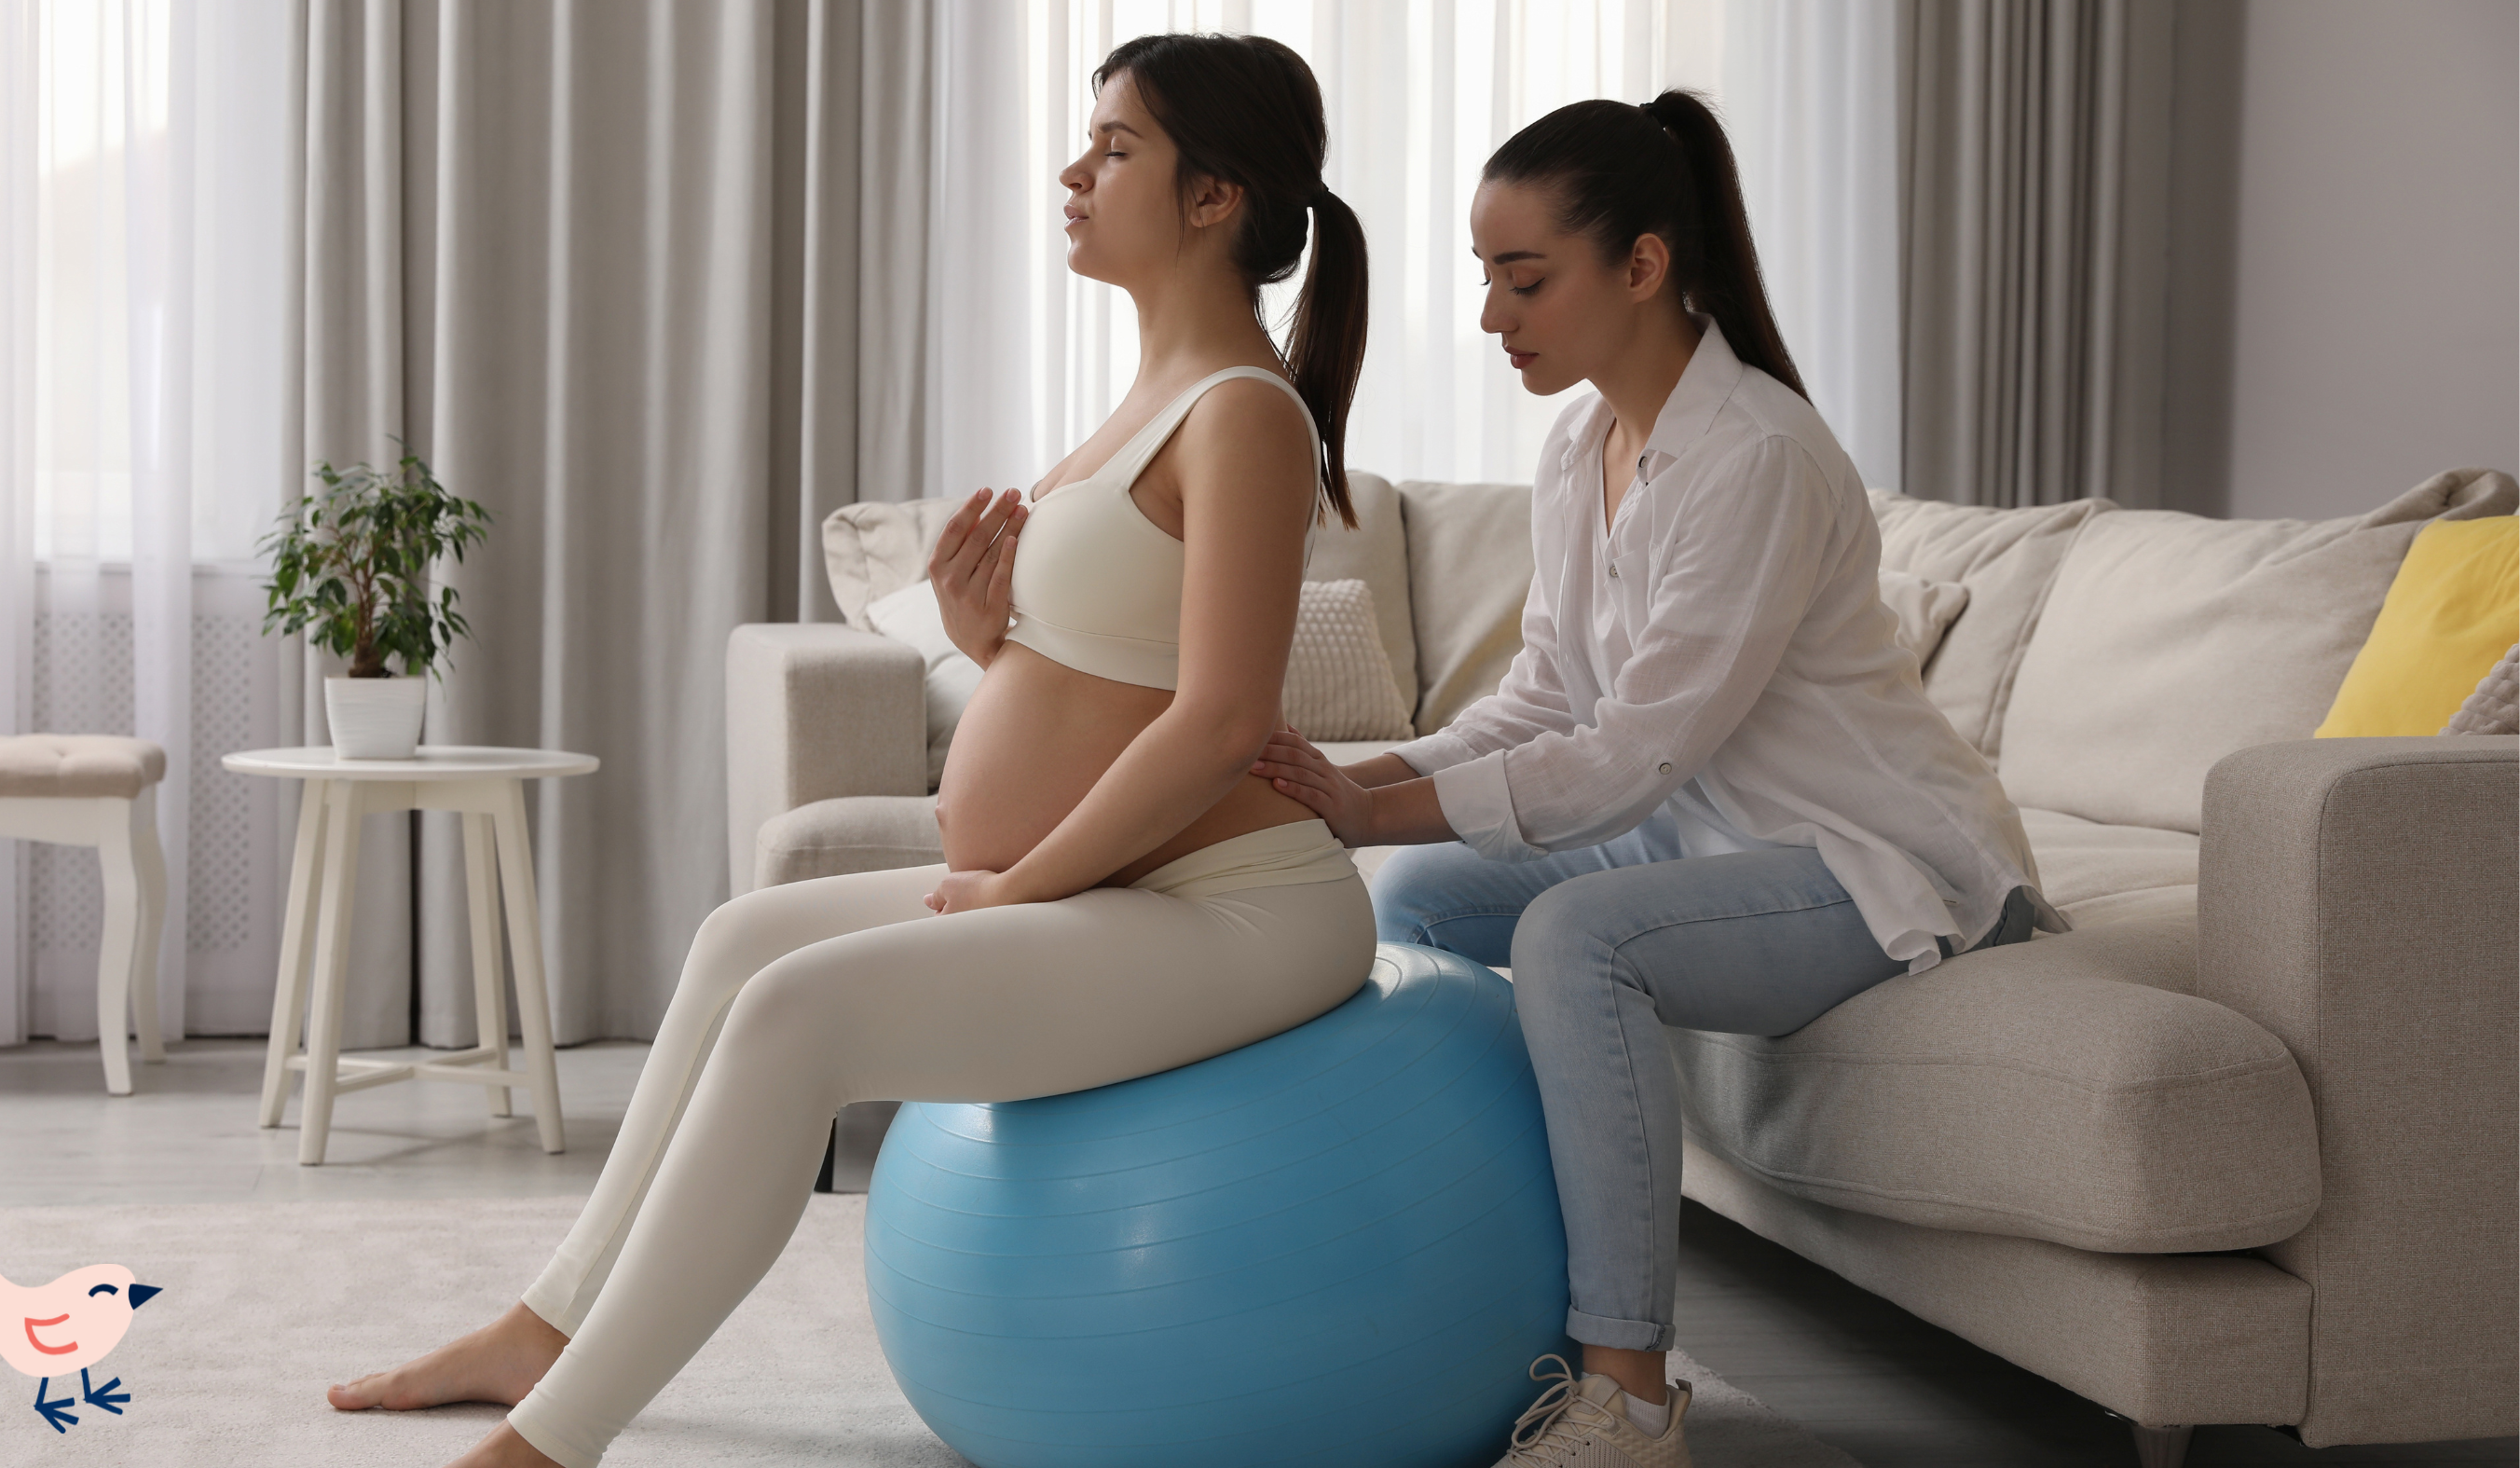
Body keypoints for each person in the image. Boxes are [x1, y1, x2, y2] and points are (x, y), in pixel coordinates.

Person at [325, 33, 1375, 1468]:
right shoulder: (1157, 395)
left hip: (1238, 909)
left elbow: (1221, 718)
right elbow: (1110, 679)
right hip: (1124, 887)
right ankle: (547, 1323)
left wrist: (1021, 885)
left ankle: (552, 1441)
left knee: (796, 1016)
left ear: (1214, 196)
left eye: (1117, 146)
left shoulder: (1246, 414)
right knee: (740, 940)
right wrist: (988, 638)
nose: (1074, 171)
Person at [1251, 92, 2063, 1468]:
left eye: (1526, 279)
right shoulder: (1582, 447)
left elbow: (1632, 754)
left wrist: (1368, 807)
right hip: (1712, 842)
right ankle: (1484, 1278)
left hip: (1880, 862)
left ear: (1642, 264)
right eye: (1486, 278)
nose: (1494, 316)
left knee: (1576, 935)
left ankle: (1628, 1399)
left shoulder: (1758, 456)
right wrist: (1354, 783)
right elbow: (1544, 700)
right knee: (1426, 892)